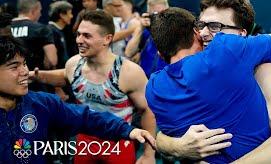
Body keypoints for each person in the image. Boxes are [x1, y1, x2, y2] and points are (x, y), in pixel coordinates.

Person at [146, 0, 271, 163]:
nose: (203, 33)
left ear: (242, 35)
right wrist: (176, 146)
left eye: (215, 27)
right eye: (200, 25)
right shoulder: (189, 75)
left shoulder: (265, 72)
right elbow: (163, 136)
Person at [0, 35, 155, 164]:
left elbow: (86, 117)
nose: (25, 71)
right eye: (14, 67)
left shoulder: (42, 104)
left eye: (25, 64)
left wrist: (128, 130)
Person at [29, 10, 156, 164]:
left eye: (87, 36)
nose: (79, 40)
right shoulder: (74, 64)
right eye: (78, 34)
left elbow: (148, 110)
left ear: (107, 39)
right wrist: (39, 76)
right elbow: (64, 77)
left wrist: (149, 154)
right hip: (85, 142)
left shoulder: (129, 72)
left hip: (118, 142)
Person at [11, 0, 58, 92]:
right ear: (33, 11)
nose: (40, 14)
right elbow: (53, 60)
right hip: (33, 83)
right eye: (40, 11)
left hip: (8, 84)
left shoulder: (4, 29)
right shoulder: (41, 29)